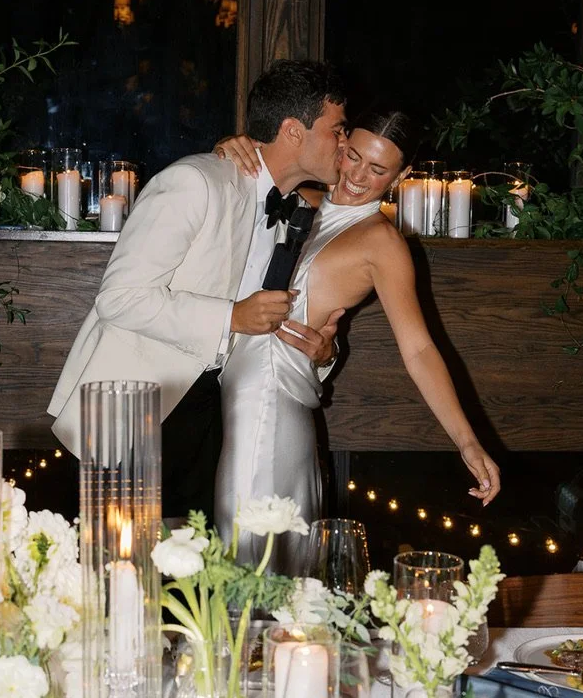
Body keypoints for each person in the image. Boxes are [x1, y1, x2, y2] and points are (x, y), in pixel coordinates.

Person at [47, 60, 346, 523]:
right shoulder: (196, 181)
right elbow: (120, 297)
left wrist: (322, 352)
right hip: (132, 406)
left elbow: (283, 318)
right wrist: (230, 317)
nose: (344, 145)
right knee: (108, 575)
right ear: (291, 130)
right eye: (337, 131)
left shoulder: (305, 213)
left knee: (191, 578)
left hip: (218, 412)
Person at [213, 107, 501, 565]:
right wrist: (227, 151)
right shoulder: (302, 197)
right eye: (352, 156)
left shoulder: (382, 243)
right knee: (249, 557)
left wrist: (466, 440)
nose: (356, 175)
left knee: (252, 559)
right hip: (238, 390)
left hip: (270, 397)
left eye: (377, 169)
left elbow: (420, 348)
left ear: (401, 174)